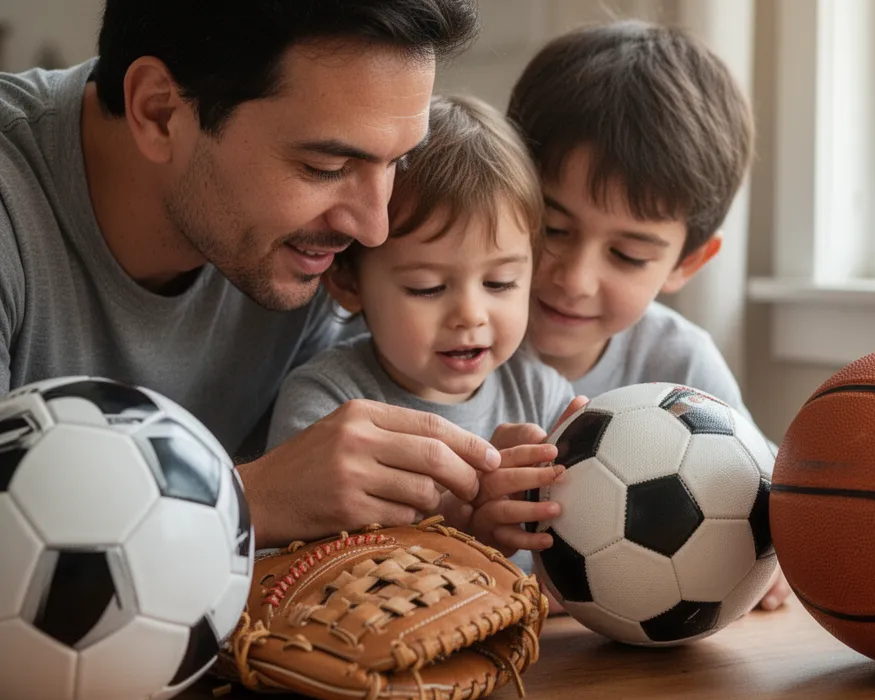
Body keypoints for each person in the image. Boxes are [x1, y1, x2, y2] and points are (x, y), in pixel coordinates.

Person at [0, 1, 513, 549]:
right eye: (326, 169)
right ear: (157, 111)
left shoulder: (314, 245)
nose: (373, 229)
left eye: (397, 163)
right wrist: (250, 500)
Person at [506, 21, 791, 609]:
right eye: (553, 229)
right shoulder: (435, 341)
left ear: (686, 262)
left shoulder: (680, 364)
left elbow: (769, 500)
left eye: (628, 254)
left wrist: (780, 556)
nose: (575, 278)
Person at [268, 94, 579, 560]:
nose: (470, 314)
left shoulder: (545, 401)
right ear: (348, 282)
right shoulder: (327, 405)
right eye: (427, 287)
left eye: (500, 282)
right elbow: (301, 570)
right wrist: (457, 527)